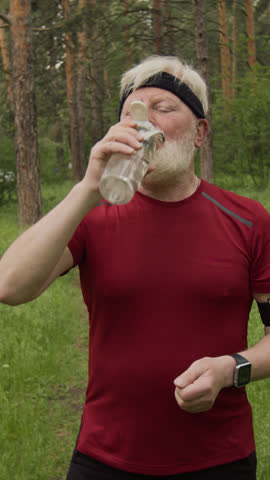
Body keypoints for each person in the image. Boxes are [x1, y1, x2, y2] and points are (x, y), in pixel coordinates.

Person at [0, 55, 270, 480]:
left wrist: (230, 370)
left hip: (219, 458)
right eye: (133, 113)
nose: (146, 124)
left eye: (164, 108)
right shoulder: (92, 215)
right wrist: (89, 187)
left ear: (200, 131)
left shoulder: (248, 220)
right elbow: (10, 285)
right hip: (105, 457)